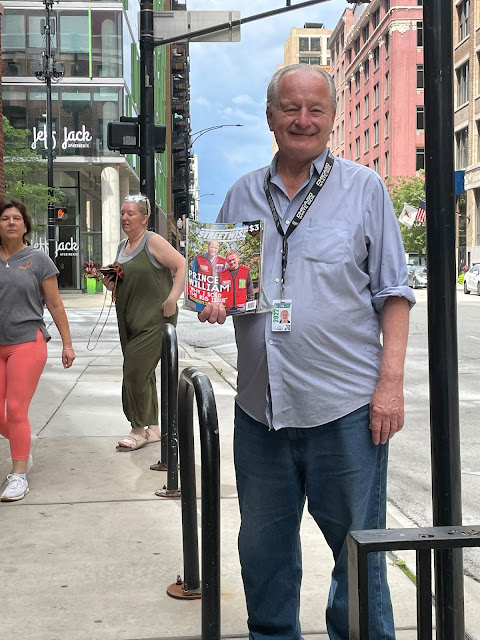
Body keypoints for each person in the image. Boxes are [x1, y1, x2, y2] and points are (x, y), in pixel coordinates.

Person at [199, 64, 415, 640]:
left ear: (332, 117)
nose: (303, 120)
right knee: (263, 553)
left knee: (359, 556)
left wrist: (390, 385)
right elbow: (221, 282)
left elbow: (394, 293)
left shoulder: (364, 189)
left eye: (315, 109)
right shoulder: (241, 194)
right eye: (291, 108)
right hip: (260, 413)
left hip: (345, 411)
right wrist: (214, 300)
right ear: (271, 117)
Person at [0, 199, 76, 502]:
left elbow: (55, 304)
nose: (10, 222)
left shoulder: (38, 260)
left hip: (27, 342)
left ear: (25, 226)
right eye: (4, 218)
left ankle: (18, 474)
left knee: (16, 410)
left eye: (16, 218)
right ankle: (23, 441)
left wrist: (67, 344)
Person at [103, 195, 186, 451]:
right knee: (144, 373)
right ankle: (154, 428)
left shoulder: (153, 241)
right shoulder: (122, 246)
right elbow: (124, 281)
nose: (125, 218)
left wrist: (173, 298)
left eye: (131, 213)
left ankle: (137, 430)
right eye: (122, 213)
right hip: (129, 318)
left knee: (134, 373)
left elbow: (181, 265)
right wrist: (110, 281)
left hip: (154, 319)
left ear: (144, 218)